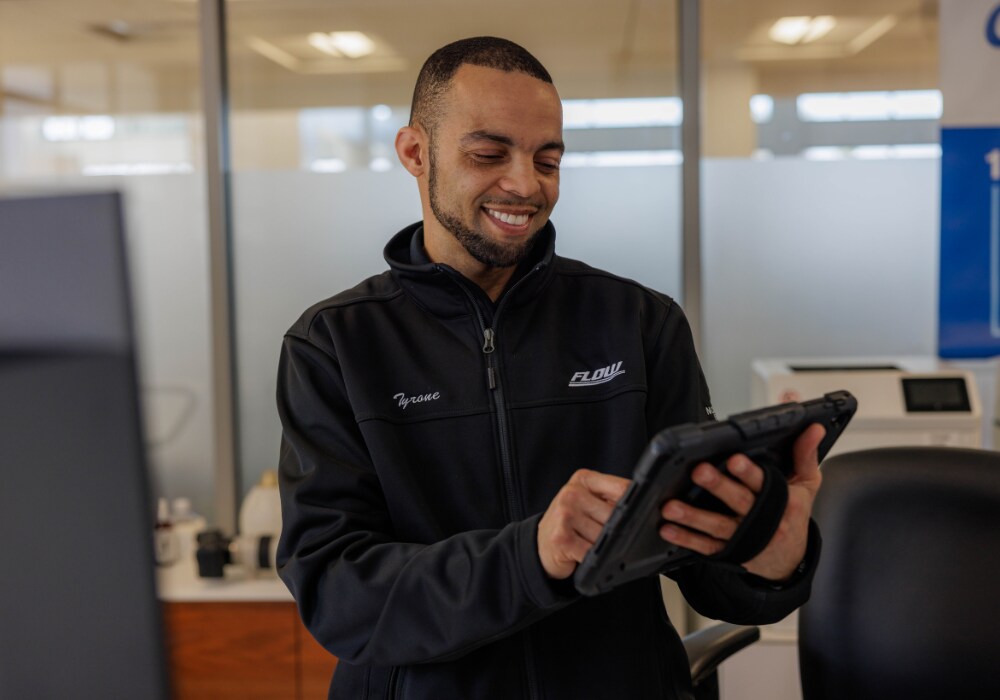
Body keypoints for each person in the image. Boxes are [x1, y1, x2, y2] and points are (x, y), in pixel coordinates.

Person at [276, 36, 825, 700]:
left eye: (548, 159)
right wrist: (530, 555)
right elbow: (338, 593)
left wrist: (771, 552)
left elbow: (703, 566)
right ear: (415, 152)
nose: (525, 185)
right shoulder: (335, 345)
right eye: (489, 154)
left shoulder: (638, 323)